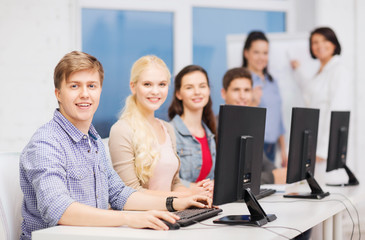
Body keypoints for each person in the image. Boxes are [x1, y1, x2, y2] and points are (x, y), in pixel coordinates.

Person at [19, 51, 211, 239]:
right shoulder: (45, 143)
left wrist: (176, 203)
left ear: (100, 90)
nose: (85, 94)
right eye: (75, 86)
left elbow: (120, 193)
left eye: (92, 86)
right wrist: (129, 218)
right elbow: (58, 209)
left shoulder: (92, 140)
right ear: (58, 94)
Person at [109, 56, 211, 198]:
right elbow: (130, 193)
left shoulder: (167, 129)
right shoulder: (122, 130)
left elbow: (175, 184)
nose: (155, 91)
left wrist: (199, 194)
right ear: (133, 86)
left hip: (171, 212)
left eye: (162, 84)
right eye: (147, 84)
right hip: (142, 218)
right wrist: (185, 197)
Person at [291, 27, 354, 162]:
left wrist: (324, 151)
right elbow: (309, 90)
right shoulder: (320, 72)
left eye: (325, 40)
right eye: (315, 42)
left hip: (327, 151)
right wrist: (297, 70)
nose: (320, 46)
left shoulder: (339, 71)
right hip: (314, 142)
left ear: (334, 44)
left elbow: (338, 112)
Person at [221, 67, 286, 185]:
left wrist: (281, 173)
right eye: (236, 90)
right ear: (224, 93)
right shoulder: (215, 126)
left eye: (247, 90)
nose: (242, 96)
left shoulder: (249, 126)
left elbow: (264, 163)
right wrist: (272, 177)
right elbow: (230, 179)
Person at [242, 31, 287, 167]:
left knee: (271, 186)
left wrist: (284, 151)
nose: (261, 57)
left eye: (265, 53)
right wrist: (253, 102)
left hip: (272, 148)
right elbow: (239, 119)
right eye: (256, 52)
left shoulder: (272, 81)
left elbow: (278, 118)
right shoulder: (243, 81)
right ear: (246, 53)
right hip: (253, 145)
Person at [168, 65, 216, 193]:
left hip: (206, 205)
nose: (197, 92)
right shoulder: (169, 132)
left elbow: (211, 178)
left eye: (202, 86)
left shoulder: (210, 134)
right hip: (181, 205)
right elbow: (167, 180)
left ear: (208, 90)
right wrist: (196, 189)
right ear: (178, 94)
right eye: (189, 87)